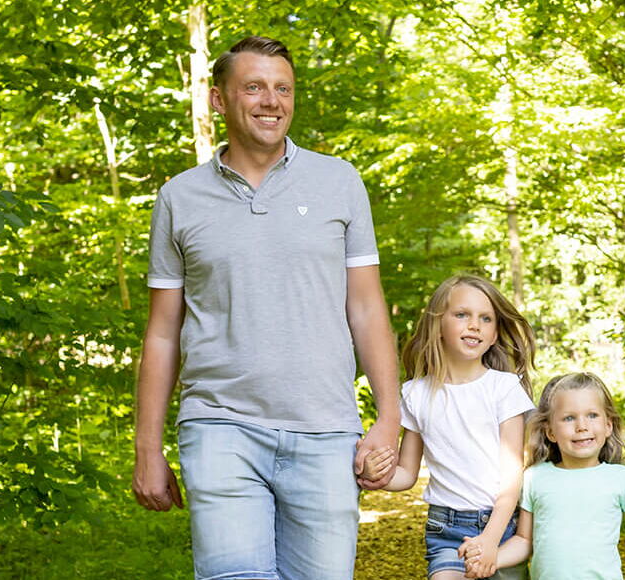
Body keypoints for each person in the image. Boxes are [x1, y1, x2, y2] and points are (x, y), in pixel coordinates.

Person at [130, 35, 402, 580]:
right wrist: (147, 447)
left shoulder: (339, 182)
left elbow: (368, 309)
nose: (271, 101)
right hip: (219, 426)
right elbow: (162, 332)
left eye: (283, 88)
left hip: (325, 428)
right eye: (253, 87)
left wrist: (389, 418)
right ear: (218, 99)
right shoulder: (179, 197)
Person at [363, 275, 536, 580]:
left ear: (495, 335)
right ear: (438, 325)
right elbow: (406, 474)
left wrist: (490, 540)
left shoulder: (505, 388)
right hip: (446, 528)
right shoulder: (416, 394)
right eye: (462, 315)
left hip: (501, 525)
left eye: (486, 319)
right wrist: (374, 475)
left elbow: (511, 481)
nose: (475, 325)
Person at [502, 372, 625, 579]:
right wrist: (491, 559)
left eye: (592, 415)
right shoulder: (535, 477)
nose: (582, 426)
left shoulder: (621, 478)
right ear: (550, 432)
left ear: (608, 426)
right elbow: (524, 540)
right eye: (569, 418)